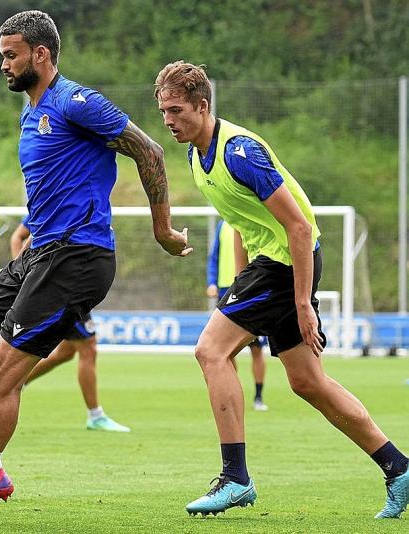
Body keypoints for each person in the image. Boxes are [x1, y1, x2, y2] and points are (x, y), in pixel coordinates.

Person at [0, 10, 191, 528]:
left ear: (41, 55)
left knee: (1, 374)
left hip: (78, 255)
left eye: (10, 54)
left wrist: (163, 230)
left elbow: (149, 152)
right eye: (1, 54)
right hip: (39, 253)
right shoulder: (30, 114)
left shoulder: (77, 102)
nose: (3, 63)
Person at [155, 60, 409, 519]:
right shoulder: (197, 155)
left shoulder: (239, 152)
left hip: (288, 262)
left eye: (176, 110)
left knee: (210, 351)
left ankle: (236, 478)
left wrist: (301, 304)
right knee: (309, 383)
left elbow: (297, 226)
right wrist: (237, 286)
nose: (169, 121)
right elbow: (239, 223)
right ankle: (399, 468)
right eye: (163, 113)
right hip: (270, 265)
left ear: (203, 105)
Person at [12, 218, 130, 432]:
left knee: (66, 352)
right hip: (62, 284)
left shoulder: (87, 202)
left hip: (75, 280)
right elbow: (18, 236)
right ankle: (95, 415)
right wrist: (22, 270)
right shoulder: (59, 199)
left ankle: (14, 383)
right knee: (88, 347)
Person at [207, 219, 268, 411]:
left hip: (251, 290)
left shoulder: (252, 220)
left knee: (256, 348)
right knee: (225, 350)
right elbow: (214, 257)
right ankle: (232, 392)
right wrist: (211, 282)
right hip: (226, 289)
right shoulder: (222, 225)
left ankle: (258, 396)